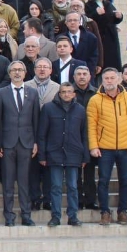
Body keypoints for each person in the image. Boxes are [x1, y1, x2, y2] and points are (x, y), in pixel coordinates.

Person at [87, 68, 127, 226]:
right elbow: (91, 125)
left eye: (112, 78)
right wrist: (93, 146)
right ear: (102, 80)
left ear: (118, 79)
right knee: (103, 180)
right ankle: (105, 212)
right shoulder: (95, 100)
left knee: (125, 181)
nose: (109, 81)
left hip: (126, 147)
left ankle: (122, 212)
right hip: (104, 148)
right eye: (106, 78)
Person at [0, 61, 41, 226]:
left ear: (25, 73)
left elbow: (36, 119)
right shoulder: (1, 93)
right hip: (7, 143)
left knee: (24, 181)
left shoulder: (33, 93)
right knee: (8, 182)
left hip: (26, 142)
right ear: (9, 73)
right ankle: (9, 216)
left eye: (20, 70)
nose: (17, 73)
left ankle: (26, 215)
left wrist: (36, 142)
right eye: (14, 70)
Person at [37, 82, 88, 227]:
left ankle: (73, 216)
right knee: (56, 187)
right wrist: (42, 155)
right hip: (54, 153)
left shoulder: (80, 110)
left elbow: (84, 134)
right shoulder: (48, 108)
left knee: (73, 186)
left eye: (69, 91)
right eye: (63, 91)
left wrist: (85, 156)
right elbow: (42, 134)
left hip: (74, 153)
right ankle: (55, 216)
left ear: (74, 94)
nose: (66, 94)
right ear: (59, 93)